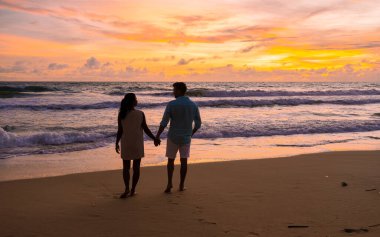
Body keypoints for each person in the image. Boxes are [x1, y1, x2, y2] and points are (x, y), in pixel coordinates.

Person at [155, 82, 202, 193]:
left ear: (180, 90)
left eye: (174, 90)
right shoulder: (193, 105)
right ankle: (181, 185)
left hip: (173, 136)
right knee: (184, 161)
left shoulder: (171, 104)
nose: (173, 92)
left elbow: (164, 122)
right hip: (186, 137)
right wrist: (191, 133)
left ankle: (169, 184)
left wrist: (157, 136)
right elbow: (198, 123)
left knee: (171, 161)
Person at [115, 93, 160, 198]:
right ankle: (133, 190)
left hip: (126, 143)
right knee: (136, 168)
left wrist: (116, 143)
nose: (137, 100)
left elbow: (120, 131)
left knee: (126, 168)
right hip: (137, 143)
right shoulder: (140, 114)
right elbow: (146, 129)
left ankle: (126, 188)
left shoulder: (122, 114)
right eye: (136, 99)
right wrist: (155, 138)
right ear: (133, 102)